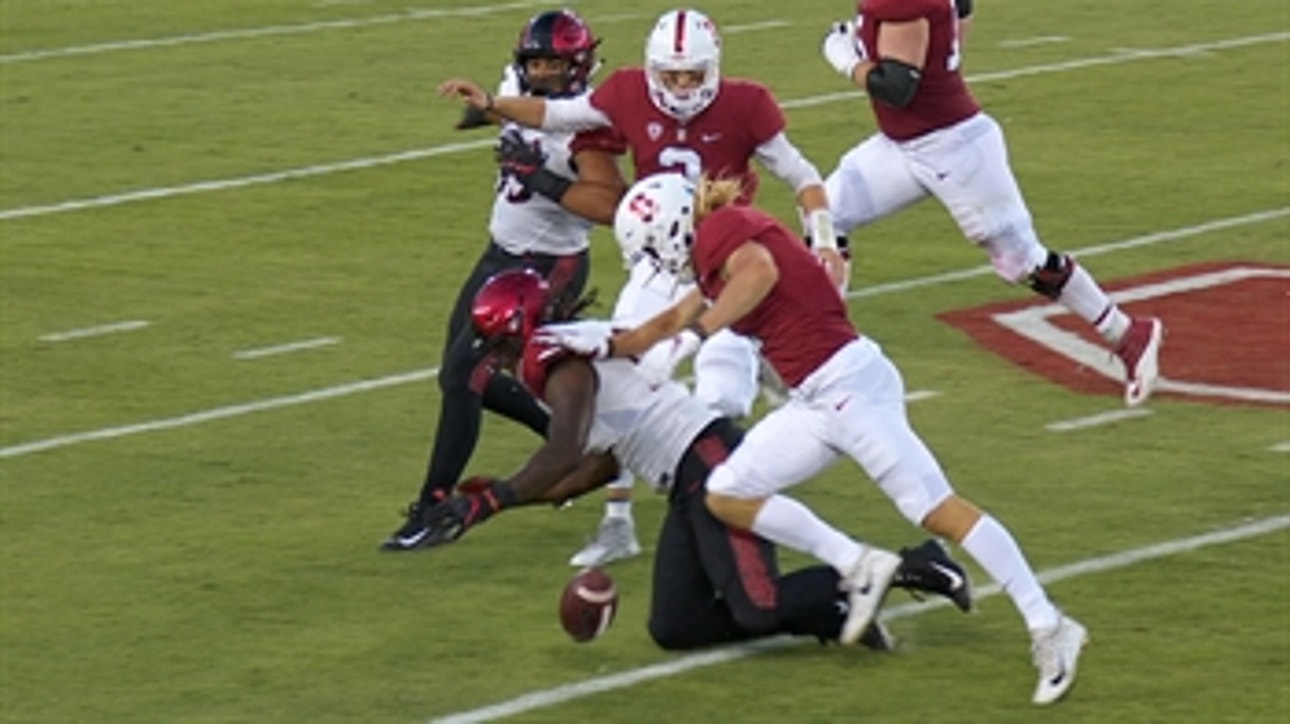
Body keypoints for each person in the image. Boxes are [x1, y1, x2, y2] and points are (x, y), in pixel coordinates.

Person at [541, 172, 1089, 705]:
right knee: (728, 491)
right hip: (816, 399)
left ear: (672, 229)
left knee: (936, 508)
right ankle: (858, 564)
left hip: (850, 388)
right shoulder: (713, 250)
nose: (663, 266)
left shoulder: (723, 231)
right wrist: (579, 344)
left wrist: (696, 336)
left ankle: (1049, 624)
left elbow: (759, 274)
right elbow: (654, 328)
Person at [442, 8, 850, 567]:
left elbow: (802, 176)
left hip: (724, 264)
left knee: (721, 398)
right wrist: (493, 105)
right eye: (671, 76)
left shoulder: (747, 104)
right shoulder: (629, 90)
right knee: (626, 383)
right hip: (658, 261)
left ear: (713, 68)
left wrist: (826, 239)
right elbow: (557, 114)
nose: (682, 88)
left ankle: (740, 501)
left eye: (692, 76)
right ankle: (618, 522)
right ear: (655, 70)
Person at [412, 267, 973, 651]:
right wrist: (500, 500)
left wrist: (491, 501)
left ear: (521, 331)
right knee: (676, 625)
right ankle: (833, 609)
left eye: (502, 346)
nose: (503, 360)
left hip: (707, 462)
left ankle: (913, 564)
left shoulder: (560, 362)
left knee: (758, 604)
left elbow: (561, 452)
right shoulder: (563, 354)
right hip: (683, 475)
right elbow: (590, 468)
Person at [819, 0, 1163, 406]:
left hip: (954, 148)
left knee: (1022, 261)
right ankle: (829, 348)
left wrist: (845, 59)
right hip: (904, 145)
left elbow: (897, 88)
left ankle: (1127, 334)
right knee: (826, 214)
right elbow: (960, 10)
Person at [380, 9, 622, 551]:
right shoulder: (515, 86)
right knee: (461, 376)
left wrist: (536, 176)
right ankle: (576, 449)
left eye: (554, 66)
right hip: (501, 252)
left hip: (550, 263)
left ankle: (434, 506)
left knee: (465, 376)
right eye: (535, 63)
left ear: (579, 66)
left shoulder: (589, 123)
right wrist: (481, 113)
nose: (542, 75)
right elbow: (507, 115)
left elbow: (611, 206)